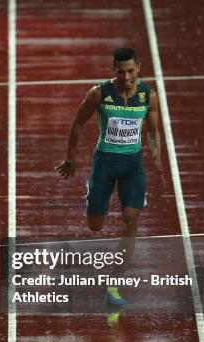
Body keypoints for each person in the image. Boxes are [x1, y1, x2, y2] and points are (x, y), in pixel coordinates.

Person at [56, 47, 164, 305]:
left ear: (139, 68)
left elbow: (152, 130)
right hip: (105, 162)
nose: (126, 77)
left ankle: (114, 283)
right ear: (113, 70)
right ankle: (92, 194)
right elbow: (78, 122)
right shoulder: (99, 94)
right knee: (96, 225)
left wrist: (157, 158)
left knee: (131, 219)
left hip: (132, 165)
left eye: (130, 71)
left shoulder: (148, 96)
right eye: (120, 71)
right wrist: (71, 158)